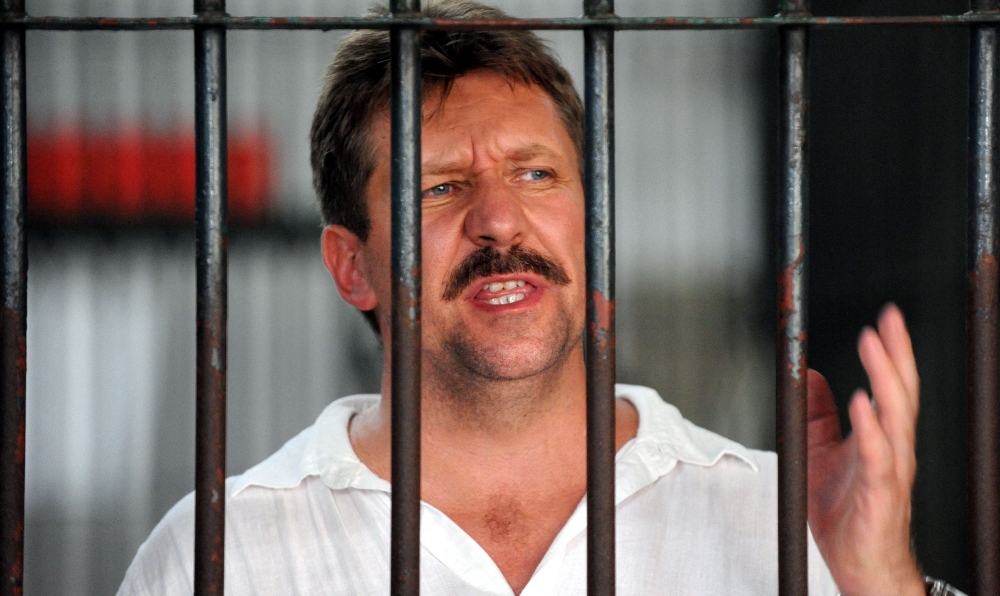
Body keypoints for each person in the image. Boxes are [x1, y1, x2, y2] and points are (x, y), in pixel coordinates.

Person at [118, 2, 962, 594]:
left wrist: (878, 584)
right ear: (353, 268)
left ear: (591, 220)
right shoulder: (222, 558)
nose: (499, 219)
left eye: (535, 173)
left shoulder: (781, 523)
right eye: (441, 187)